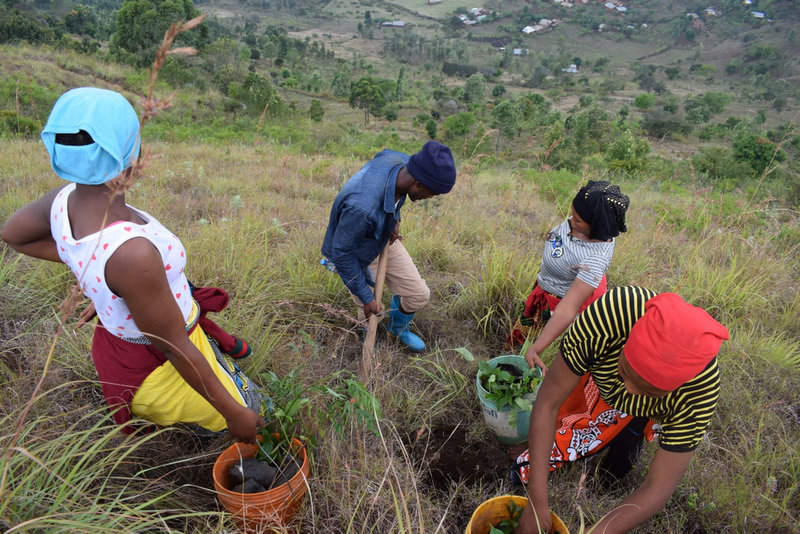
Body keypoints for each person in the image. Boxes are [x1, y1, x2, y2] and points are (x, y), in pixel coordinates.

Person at [1, 87, 266, 443]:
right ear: (131, 154)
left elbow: (14, 235)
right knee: (258, 411)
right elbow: (173, 346)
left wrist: (102, 282)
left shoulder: (61, 201)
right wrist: (234, 414)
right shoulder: (131, 254)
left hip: (131, 344)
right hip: (157, 361)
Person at [514, 286, 729, 533]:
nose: (628, 391)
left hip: (643, 413)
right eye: (624, 372)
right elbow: (548, 403)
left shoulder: (699, 393)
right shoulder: (612, 315)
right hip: (598, 379)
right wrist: (536, 502)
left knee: (620, 464)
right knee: (567, 429)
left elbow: (658, 489)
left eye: (648, 391)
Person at [321, 141, 456, 352]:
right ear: (418, 184)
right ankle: (368, 339)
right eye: (432, 193)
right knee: (372, 311)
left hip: (382, 237)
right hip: (355, 254)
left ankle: (397, 329)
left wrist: (395, 218)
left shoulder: (403, 164)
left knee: (418, 294)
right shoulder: (361, 208)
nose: (430, 198)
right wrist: (367, 299)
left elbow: (393, 190)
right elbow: (342, 253)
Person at [507, 180, 630, 373]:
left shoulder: (594, 259)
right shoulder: (580, 225)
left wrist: (537, 349)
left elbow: (567, 309)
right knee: (529, 333)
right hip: (548, 288)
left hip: (561, 303)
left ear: (597, 227)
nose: (571, 220)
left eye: (578, 220)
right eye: (572, 214)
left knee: (552, 346)